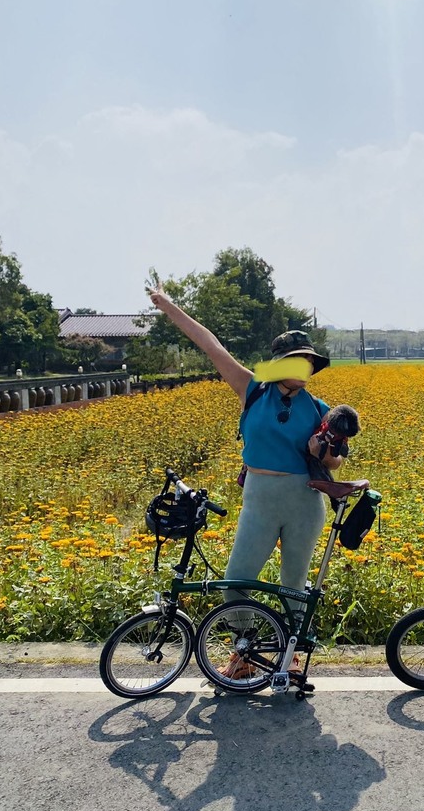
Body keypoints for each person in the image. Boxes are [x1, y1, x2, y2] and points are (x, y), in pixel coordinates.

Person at [148, 282, 345, 678]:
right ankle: (245, 653)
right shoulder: (252, 389)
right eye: (295, 360)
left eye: (307, 361)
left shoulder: (321, 409)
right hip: (260, 499)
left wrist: (318, 450)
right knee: (234, 583)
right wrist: (168, 307)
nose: (303, 367)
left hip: (304, 503)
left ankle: (289, 662)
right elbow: (211, 345)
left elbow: (336, 463)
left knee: (293, 586)